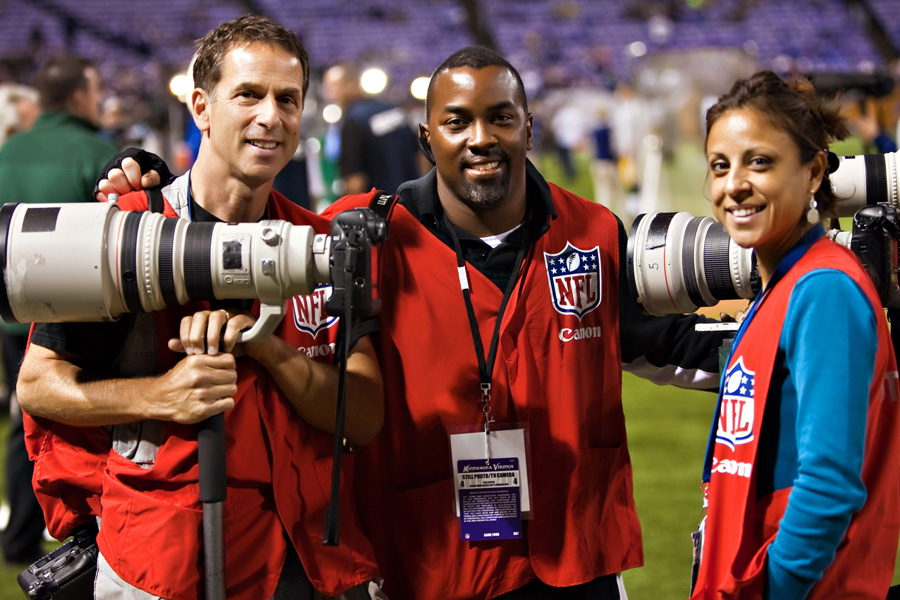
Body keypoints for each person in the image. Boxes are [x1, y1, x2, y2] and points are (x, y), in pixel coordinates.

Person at [321, 46, 725, 600]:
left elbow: (657, 342)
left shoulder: (594, 231)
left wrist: (787, 342)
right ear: (427, 138)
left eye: (501, 117)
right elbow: (251, 242)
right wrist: (159, 182)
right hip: (431, 562)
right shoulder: (367, 235)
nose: (481, 137)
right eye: (457, 121)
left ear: (529, 129)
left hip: (576, 558)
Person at [16, 16, 384, 600]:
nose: (271, 116)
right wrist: (158, 396)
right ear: (201, 108)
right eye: (248, 94)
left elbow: (361, 416)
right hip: (163, 560)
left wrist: (266, 346)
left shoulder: (318, 245)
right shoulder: (122, 230)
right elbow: (38, 386)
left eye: (288, 99)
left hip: (303, 557)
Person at [690, 71, 900, 599]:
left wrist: (775, 587)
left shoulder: (823, 289)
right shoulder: (788, 282)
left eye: (759, 161)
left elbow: (829, 483)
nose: (733, 183)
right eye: (720, 165)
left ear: (812, 173)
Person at [0, 55, 118, 566]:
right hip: (77, 318)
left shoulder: (7, 152)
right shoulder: (97, 152)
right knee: (82, 424)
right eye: (95, 90)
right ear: (77, 97)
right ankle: (83, 536)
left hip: (8, 316)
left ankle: (18, 540)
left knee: (20, 421)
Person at [321, 61, 421, 196]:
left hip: (380, 211)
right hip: (412, 203)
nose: (329, 95)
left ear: (351, 84)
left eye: (332, 88)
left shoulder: (353, 121)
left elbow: (355, 181)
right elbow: (421, 156)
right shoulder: (395, 110)